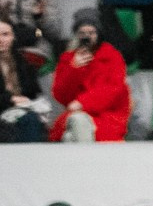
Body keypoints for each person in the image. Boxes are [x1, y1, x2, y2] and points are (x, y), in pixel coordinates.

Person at [47, 9, 131, 142]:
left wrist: (83, 103)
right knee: (71, 131)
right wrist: (73, 69)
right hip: (75, 114)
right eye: (82, 33)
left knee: (71, 133)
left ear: (99, 34)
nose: (87, 37)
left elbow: (113, 89)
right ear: (76, 35)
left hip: (108, 115)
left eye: (91, 33)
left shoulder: (112, 56)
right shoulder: (68, 59)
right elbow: (61, 95)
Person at [0, 16, 51, 142]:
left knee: (32, 119)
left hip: (21, 112)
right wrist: (11, 99)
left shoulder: (23, 62)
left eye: (5, 34)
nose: (1, 39)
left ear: (13, 37)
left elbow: (33, 93)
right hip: (4, 110)